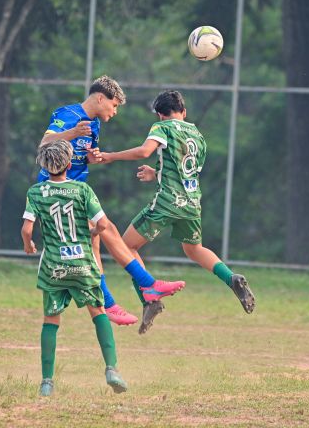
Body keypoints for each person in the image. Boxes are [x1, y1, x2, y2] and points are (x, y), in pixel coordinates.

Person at [21, 140, 185, 397]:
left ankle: (46, 383)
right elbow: (104, 224)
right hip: (83, 264)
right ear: (68, 163)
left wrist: (28, 244)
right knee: (99, 313)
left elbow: (27, 229)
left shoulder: (36, 192)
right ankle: (112, 369)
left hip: (54, 266)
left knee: (51, 320)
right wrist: (94, 231)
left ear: (44, 165)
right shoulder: (82, 190)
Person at [100, 90, 256, 334]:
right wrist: (157, 174)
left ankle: (149, 299)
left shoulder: (162, 127)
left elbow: (144, 151)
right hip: (191, 202)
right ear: (184, 112)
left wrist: (111, 156)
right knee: (193, 249)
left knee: (125, 246)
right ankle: (231, 277)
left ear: (161, 115)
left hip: (167, 201)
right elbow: (187, 171)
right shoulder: (198, 135)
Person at [37, 75, 137, 326]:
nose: (114, 112)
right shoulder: (67, 114)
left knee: (94, 242)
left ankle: (110, 302)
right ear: (100, 98)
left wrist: (94, 156)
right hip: (57, 191)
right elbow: (44, 144)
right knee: (104, 232)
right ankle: (140, 288)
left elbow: (86, 156)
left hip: (78, 191)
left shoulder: (95, 124)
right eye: (113, 105)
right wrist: (71, 132)